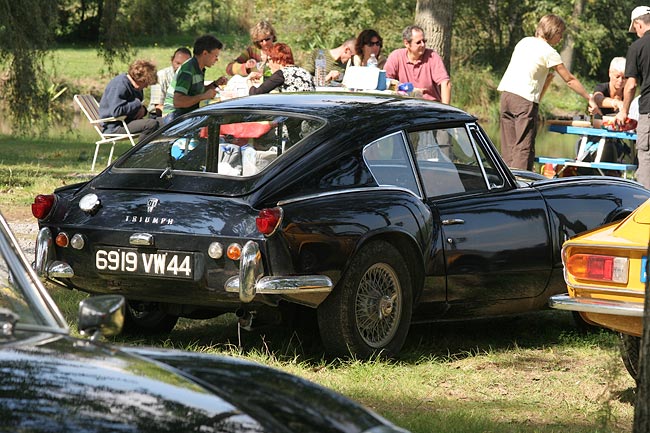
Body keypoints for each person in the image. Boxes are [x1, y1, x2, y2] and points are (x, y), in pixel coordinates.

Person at [497, 14, 600, 171]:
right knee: (523, 147)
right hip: (524, 100)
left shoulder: (524, 42)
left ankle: (507, 183)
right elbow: (569, 80)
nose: (561, 38)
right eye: (560, 34)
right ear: (553, 31)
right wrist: (589, 97)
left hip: (506, 96)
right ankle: (521, 186)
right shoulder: (549, 52)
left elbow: (533, 72)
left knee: (508, 147)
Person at [616, 6, 650, 188]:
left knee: (646, 161)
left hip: (649, 111)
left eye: (635, 28)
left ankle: (647, 211)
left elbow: (631, 85)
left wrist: (623, 111)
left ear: (638, 24)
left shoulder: (637, 47)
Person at [162, 34, 228, 123]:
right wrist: (203, 96)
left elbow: (196, 93)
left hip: (184, 112)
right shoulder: (188, 70)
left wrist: (215, 84)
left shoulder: (198, 68)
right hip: (173, 116)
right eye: (215, 56)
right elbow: (178, 101)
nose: (217, 60)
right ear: (205, 53)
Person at [383, 25, 451, 103]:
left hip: (430, 107)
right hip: (403, 106)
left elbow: (445, 83)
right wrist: (405, 89)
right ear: (406, 43)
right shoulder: (396, 56)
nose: (423, 45)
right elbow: (386, 82)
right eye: (418, 42)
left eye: (424, 41)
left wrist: (445, 111)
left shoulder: (432, 56)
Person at [98, 59, 162, 139]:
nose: (146, 86)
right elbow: (116, 111)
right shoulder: (120, 84)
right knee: (151, 124)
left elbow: (137, 107)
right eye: (146, 83)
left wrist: (143, 110)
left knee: (162, 122)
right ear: (140, 79)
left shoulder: (136, 87)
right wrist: (137, 104)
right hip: (114, 127)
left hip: (127, 121)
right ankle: (140, 151)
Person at [247, 43, 314, 95]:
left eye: (269, 60)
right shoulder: (305, 72)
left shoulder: (282, 74)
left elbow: (255, 94)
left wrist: (249, 81)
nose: (268, 64)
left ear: (278, 60)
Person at [148, 47, 192, 116]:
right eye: (177, 63)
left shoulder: (191, 76)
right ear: (172, 60)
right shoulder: (161, 76)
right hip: (159, 115)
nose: (180, 67)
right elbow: (158, 107)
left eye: (184, 65)